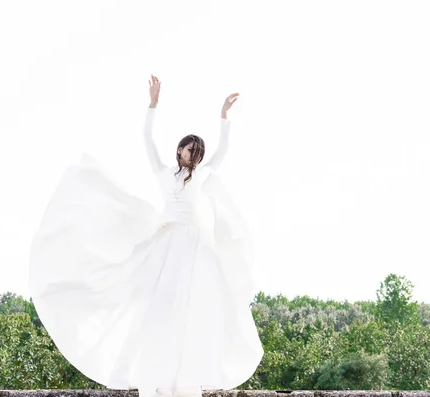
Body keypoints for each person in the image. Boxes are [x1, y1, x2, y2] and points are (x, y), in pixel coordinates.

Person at [29, 75, 263, 397]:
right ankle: (149, 374)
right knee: (157, 307)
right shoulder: (165, 175)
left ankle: (189, 376)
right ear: (179, 150)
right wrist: (152, 105)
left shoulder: (204, 176)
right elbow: (147, 140)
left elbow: (223, 151)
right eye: (188, 148)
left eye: (197, 151)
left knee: (197, 308)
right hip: (167, 243)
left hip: (197, 247)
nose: (192, 153)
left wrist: (224, 117)